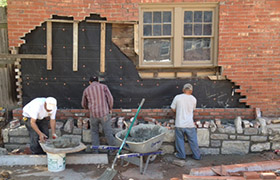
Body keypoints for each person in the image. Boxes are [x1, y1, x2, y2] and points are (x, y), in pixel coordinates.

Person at [81, 76, 115, 150]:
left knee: (94, 132)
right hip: (104, 114)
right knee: (108, 132)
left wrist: (87, 108)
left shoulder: (87, 90)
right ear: (98, 81)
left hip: (93, 114)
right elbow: (110, 99)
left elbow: (83, 103)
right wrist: (110, 108)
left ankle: (95, 150)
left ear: (90, 82)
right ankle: (113, 150)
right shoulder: (104, 87)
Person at [170, 83, 201, 160]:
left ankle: (181, 155)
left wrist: (179, 111)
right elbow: (193, 110)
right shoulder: (193, 99)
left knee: (180, 140)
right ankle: (197, 156)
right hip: (190, 124)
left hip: (179, 124)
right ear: (191, 91)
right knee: (193, 141)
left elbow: (173, 109)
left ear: (183, 90)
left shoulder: (178, 97)